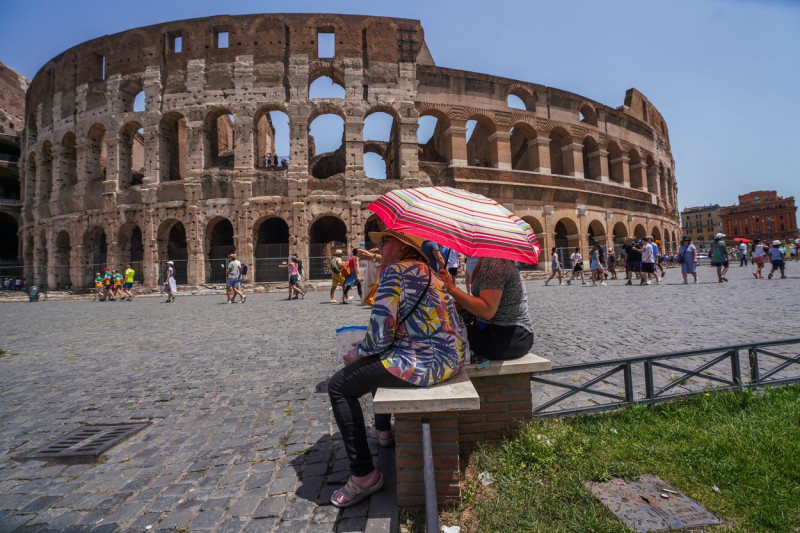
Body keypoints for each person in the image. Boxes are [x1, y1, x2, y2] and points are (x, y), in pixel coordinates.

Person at [327, 229, 468, 508]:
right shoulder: (429, 271)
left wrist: (356, 352)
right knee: (379, 362)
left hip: (426, 363)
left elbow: (379, 335)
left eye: (385, 242)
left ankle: (364, 475)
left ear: (403, 247)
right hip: (452, 356)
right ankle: (383, 431)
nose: (380, 247)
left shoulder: (394, 274)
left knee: (339, 386)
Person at [440, 253, 534, 360]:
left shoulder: (494, 262)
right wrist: (465, 303)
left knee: (440, 336)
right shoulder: (492, 260)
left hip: (504, 337)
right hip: (514, 335)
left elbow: (487, 311)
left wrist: (451, 288)